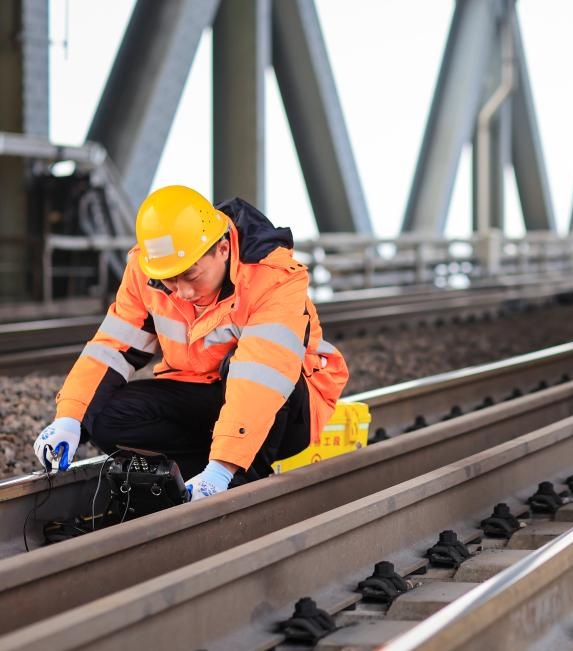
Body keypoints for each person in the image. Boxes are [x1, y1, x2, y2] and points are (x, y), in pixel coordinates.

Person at [32, 185, 349, 501]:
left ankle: (238, 482)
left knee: (248, 372)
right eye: (170, 281)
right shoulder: (147, 269)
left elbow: (261, 378)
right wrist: (69, 420)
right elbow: (111, 348)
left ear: (223, 249)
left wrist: (223, 469)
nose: (181, 292)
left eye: (191, 276)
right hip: (200, 393)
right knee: (100, 416)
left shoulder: (274, 278)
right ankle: (189, 483)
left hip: (287, 407)